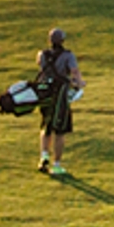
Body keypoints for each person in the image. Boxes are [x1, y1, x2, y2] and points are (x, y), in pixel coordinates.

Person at [34, 27, 81, 176]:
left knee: (46, 126)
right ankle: (56, 164)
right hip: (60, 94)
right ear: (62, 41)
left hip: (45, 93)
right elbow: (74, 72)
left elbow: (40, 66)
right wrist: (79, 82)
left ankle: (44, 157)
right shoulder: (68, 56)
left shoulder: (42, 54)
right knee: (60, 131)